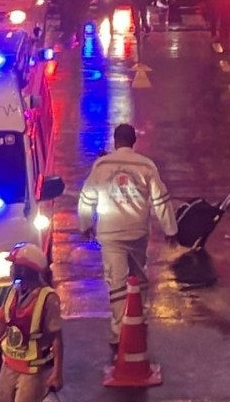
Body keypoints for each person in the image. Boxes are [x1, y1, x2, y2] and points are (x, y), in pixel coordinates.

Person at [77, 124, 178, 361]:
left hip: (110, 234)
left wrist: (85, 225)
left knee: (117, 284)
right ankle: (135, 318)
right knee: (137, 277)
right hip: (137, 233)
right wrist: (170, 229)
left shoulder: (101, 166)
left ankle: (119, 332)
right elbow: (161, 200)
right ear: (134, 141)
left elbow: (86, 198)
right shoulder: (146, 166)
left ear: (115, 141)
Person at [0, 243, 63, 402]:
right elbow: (1, 324)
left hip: (32, 370)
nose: (12, 269)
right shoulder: (13, 291)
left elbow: (56, 338)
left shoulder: (48, 299)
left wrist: (57, 373)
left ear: (27, 269)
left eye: (15, 266)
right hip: (9, 365)